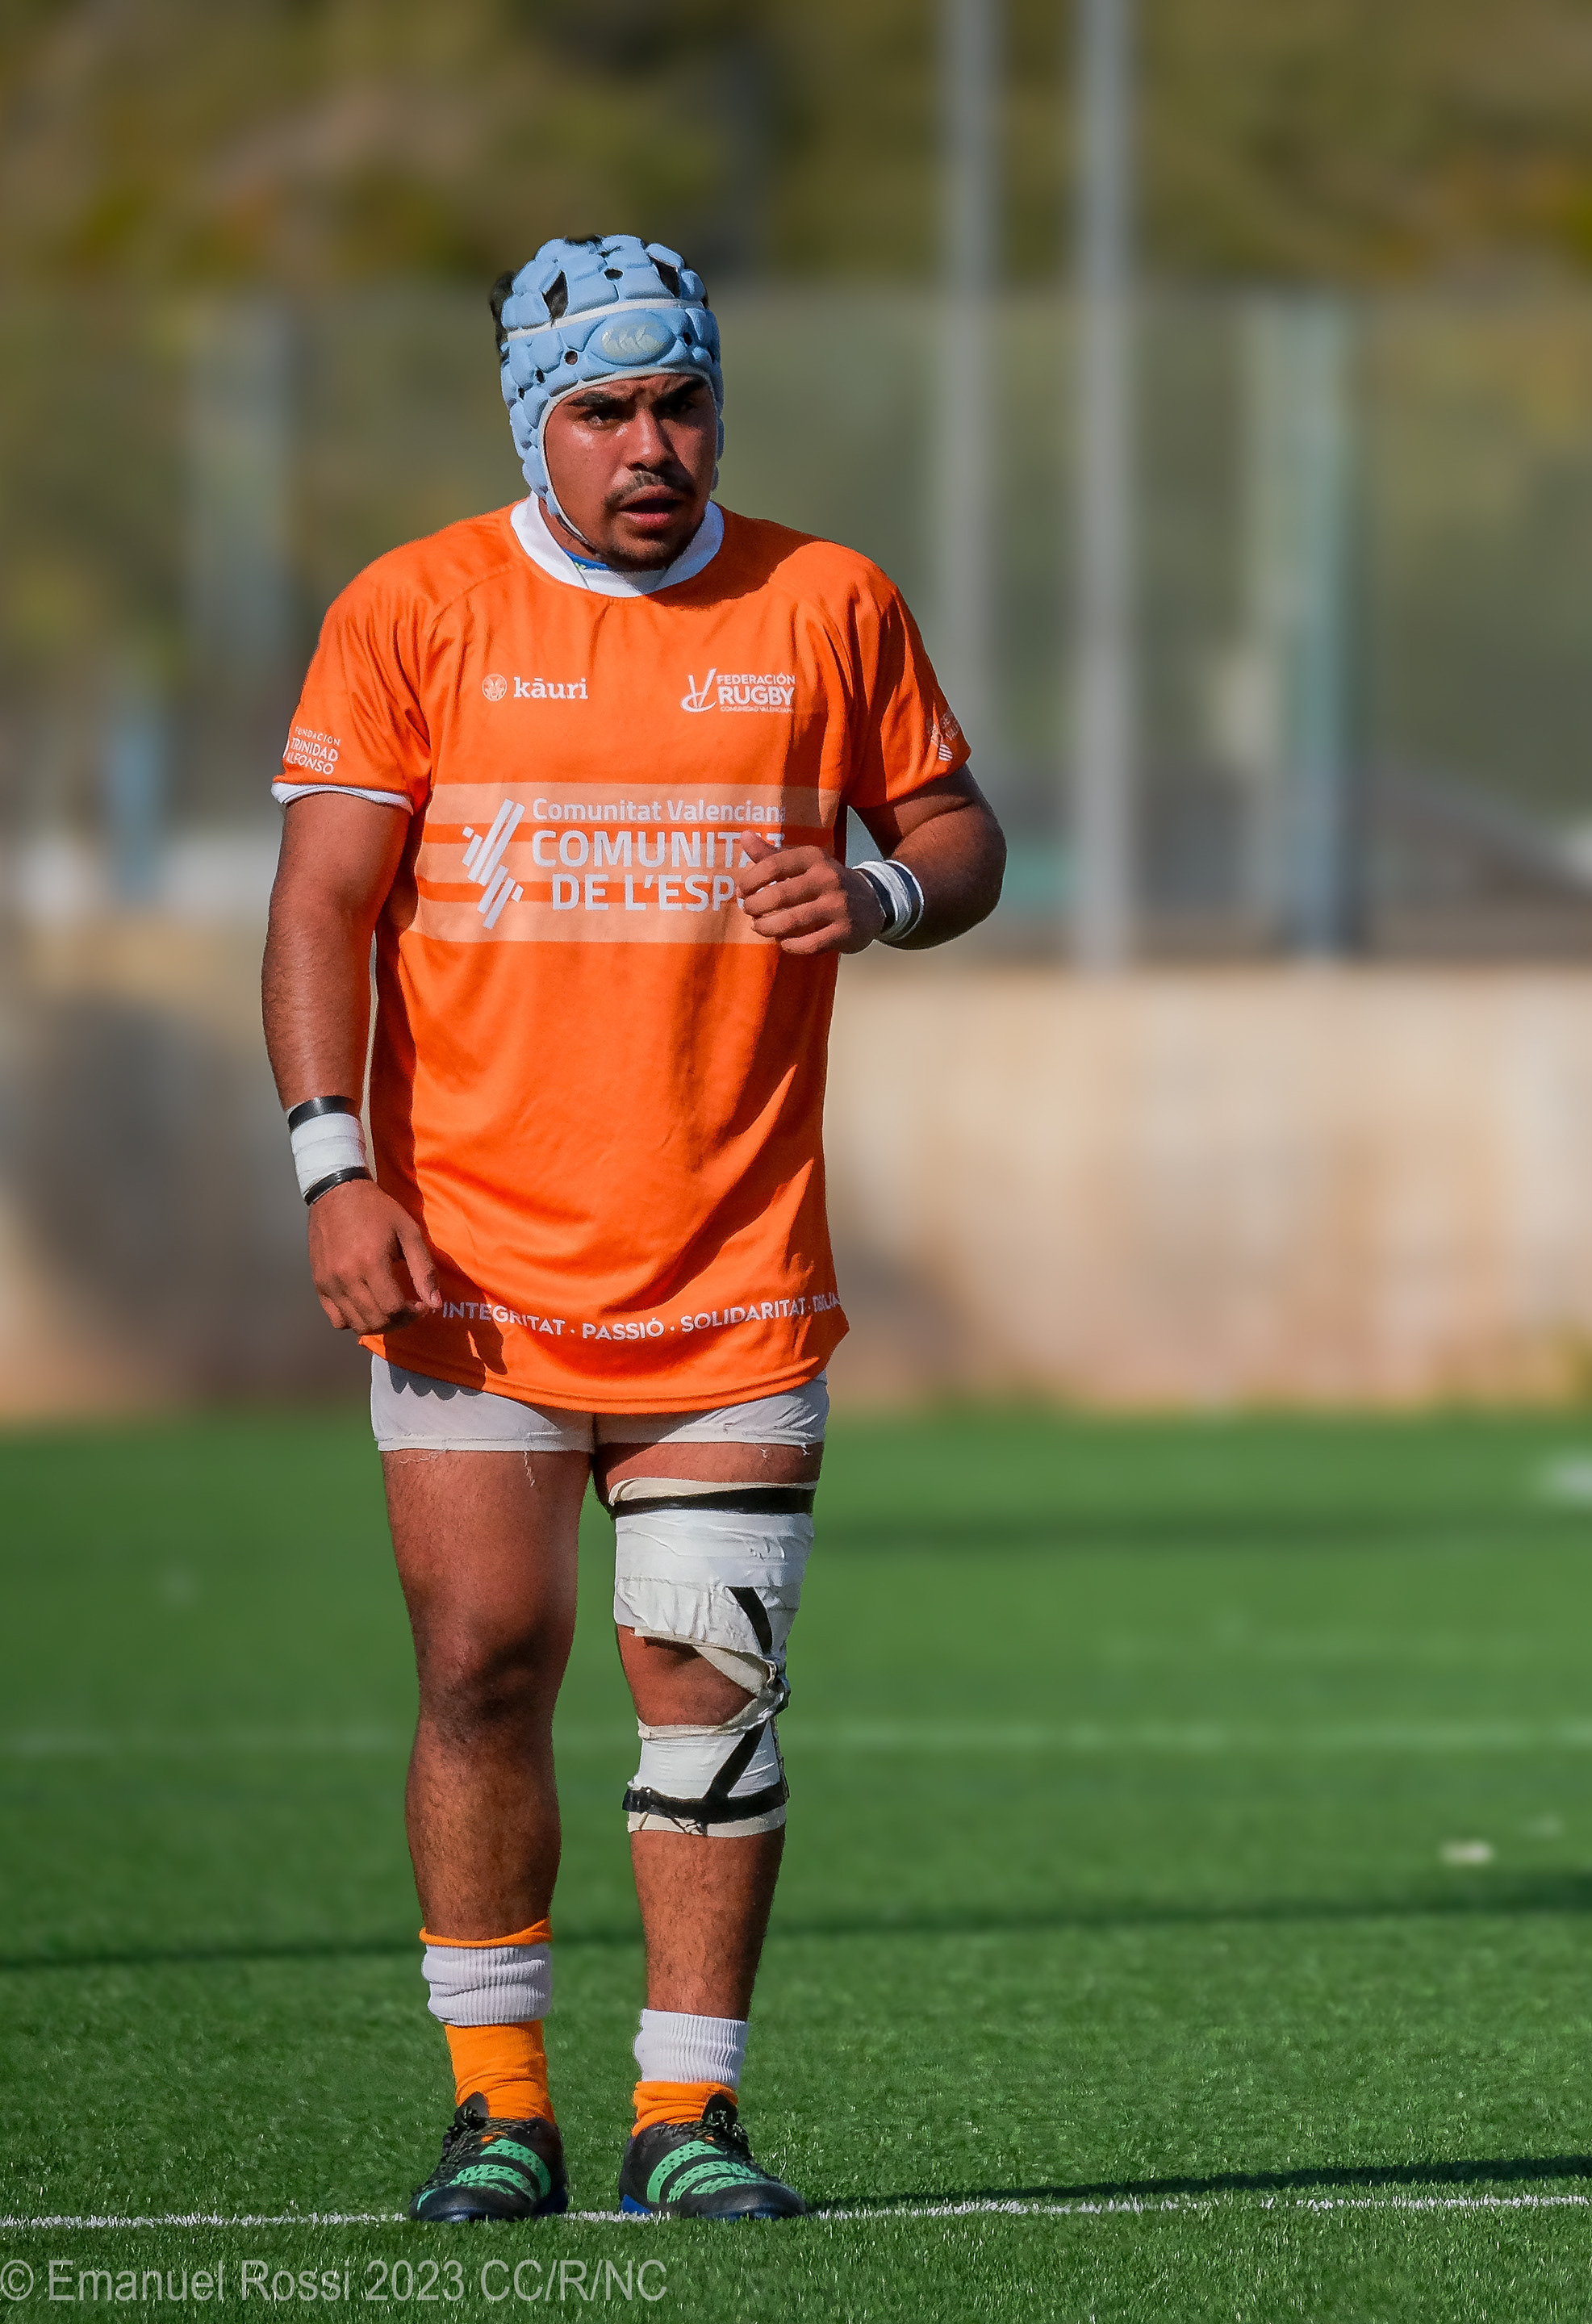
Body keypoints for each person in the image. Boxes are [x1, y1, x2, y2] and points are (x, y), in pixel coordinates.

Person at [260, 235, 1004, 2223]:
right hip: (472, 1274)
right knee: (483, 1668)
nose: (651, 446)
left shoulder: (830, 601)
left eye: (682, 404)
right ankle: (498, 2109)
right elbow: (322, 903)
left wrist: (886, 897)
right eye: (603, 412)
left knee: (709, 1686)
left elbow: (958, 832)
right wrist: (336, 1168)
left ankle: (691, 2116)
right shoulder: (413, 610)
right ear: (536, 425)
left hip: (734, 1275)